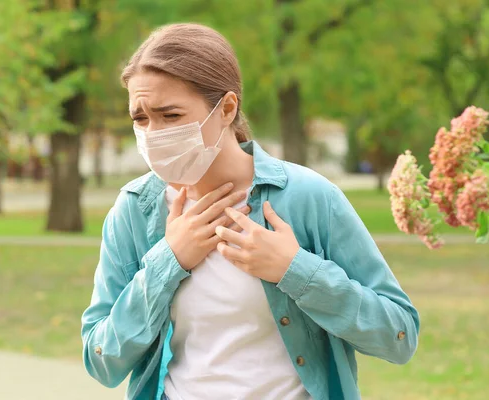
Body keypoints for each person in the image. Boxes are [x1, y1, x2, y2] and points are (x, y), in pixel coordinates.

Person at [81, 23, 419, 400]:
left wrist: (296, 270)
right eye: (140, 119)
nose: (153, 133)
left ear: (226, 108)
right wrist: (167, 262)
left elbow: (398, 336)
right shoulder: (134, 211)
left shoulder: (309, 198)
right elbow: (102, 361)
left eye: (170, 116)